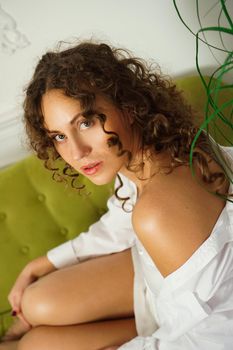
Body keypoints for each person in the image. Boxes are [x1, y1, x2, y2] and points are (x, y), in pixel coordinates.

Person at [1, 40, 233, 350]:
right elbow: (119, 222)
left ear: (126, 102)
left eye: (86, 122)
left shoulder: (156, 213)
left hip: (189, 326)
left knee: (33, 345)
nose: (77, 152)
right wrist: (43, 263)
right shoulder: (165, 148)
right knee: (33, 303)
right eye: (59, 136)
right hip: (160, 290)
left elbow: (210, 336)